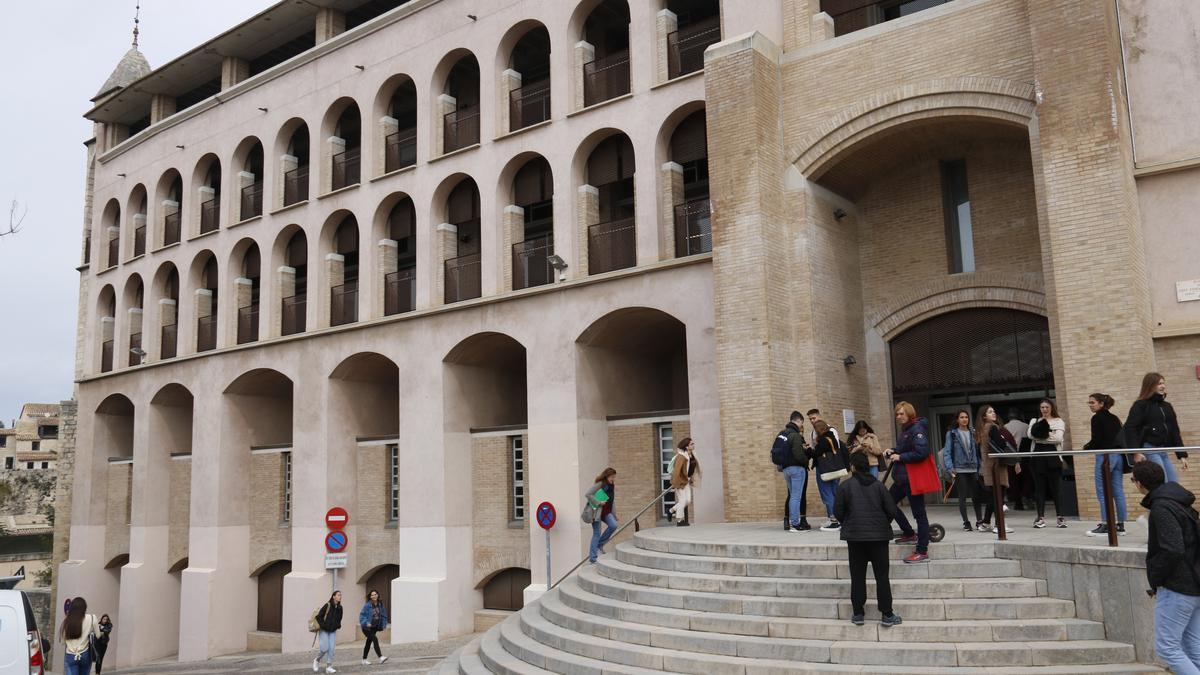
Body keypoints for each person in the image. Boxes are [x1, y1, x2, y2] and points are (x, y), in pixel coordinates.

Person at [1132, 460, 1200, 674]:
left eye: (1133, 480)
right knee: (1193, 647)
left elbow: (1173, 549)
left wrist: (1156, 577)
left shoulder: (1162, 507)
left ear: (1140, 484)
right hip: (1194, 584)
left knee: (1168, 648)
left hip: (1178, 587)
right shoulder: (1180, 501)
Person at [834, 451, 903, 628]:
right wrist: (881, 523)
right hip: (879, 538)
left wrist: (849, 522)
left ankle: (858, 613)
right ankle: (887, 614)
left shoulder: (845, 486)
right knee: (882, 577)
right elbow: (892, 510)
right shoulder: (879, 486)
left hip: (855, 538)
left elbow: (838, 512)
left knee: (857, 576)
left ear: (853, 467)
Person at [884, 402, 932, 564]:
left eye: (901, 414)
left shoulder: (917, 430)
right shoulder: (906, 430)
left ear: (909, 414)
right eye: (897, 414)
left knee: (919, 514)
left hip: (912, 479)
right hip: (902, 478)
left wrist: (900, 457)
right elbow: (904, 448)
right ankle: (909, 533)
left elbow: (922, 452)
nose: (898, 417)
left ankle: (922, 551)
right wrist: (893, 450)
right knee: (888, 504)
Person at [1128, 372, 1190, 483]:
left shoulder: (1167, 406)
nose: (1163, 386)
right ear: (1150, 386)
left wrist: (1181, 455)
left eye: (1163, 383)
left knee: (1173, 482)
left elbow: (1174, 431)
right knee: (1161, 482)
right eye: (1159, 383)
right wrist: (1136, 452)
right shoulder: (1141, 405)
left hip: (1163, 449)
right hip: (1149, 448)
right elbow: (1130, 428)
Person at [1086, 393, 1127, 536]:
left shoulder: (1096, 418)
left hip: (1105, 457)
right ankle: (1120, 525)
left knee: (1102, 491)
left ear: (1101, 404)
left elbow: (1096, 440)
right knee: (1118, 491)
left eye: (1093, 403)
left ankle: (1105, 524)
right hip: (1118, 457)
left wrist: (1086, 447)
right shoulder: (1114, 418)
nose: (1090, 405)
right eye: (1089, 403)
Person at [976, 405, 1017, 533]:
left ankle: (986, 523)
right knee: (998, 496)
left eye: (993, 411)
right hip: (997, 466)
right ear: (984, 416)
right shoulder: (993, 427)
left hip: (988, 466)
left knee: (993, 496)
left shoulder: (981, 429)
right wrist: (1004, 440)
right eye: (990, 412)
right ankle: (999, 526)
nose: (993, 413)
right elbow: (1000, 444)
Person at [942, 409, 985, 532]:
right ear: (957, 419)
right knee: (963, 496)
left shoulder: (973, 432)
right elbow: (947, 452)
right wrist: (951, 469)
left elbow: (977, 452)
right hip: (959, 469)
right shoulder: (952, 433)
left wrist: (980, 467)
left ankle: (979, 521)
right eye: (961, 417)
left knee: (976, 496)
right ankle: (966, 522)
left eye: (966, 417)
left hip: (973, 468)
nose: (964, 419)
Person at [1028, 399, 1067, 529]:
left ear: (1052, 408)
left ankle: (1060, 517)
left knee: (1057, 488)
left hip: (1053, 457)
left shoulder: (1058, 421)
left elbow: (1058, 438)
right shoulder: (1034, 421)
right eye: (1042, 407)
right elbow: (1030, 435)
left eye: (1047, 407)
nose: (1044, 409)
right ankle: (1040, 518)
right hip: (1038, 458)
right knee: (1039, 489)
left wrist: (1042, 436)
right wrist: (1049, 434)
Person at [779, 411, 812, 532]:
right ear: (798, 421)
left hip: (786, 469)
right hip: (797, 469)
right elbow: (798, 455)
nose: (801, 425)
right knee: (796, 497)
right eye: (801, 423)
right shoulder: (795, 435)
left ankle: (792, 522)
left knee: (793, 496)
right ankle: (795, 524)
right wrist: (805, 462)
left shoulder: (782, 434)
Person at [812, 420, 845, 531]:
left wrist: (808, 450)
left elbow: (816, 454)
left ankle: (834, 521)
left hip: (825, 471)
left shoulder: (823, 441)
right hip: (836, 470)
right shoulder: (832, 438)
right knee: (834, 493)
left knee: (827, 495)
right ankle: (839, 519)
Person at [59, 596, 99, 675]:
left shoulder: (67, 621)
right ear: (85, 607)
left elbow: (62, 642)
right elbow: (98, 635)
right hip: (85, 654)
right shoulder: (92, 618)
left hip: (70, 655)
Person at [587, 468, 618, 563]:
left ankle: (599, 545)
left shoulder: (611, 485)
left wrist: (614, 515)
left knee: (613, 525)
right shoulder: (600, 484)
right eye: (612, 477)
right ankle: (592, 558)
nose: (613, 479)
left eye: (614, 477)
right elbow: (588, 494)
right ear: (607, 476)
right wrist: (599, 502)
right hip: (596, 512)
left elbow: (612, 501)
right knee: (597, 533)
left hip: (606, 512)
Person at [668, 437, 700, 526]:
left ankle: (671, 510)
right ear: (686, 447)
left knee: (688, 500)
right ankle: (679, 521)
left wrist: (691, 478)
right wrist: (675, 483)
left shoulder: (691, 455)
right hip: (680, 482)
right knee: (682, 501)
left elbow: (691, 469)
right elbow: (676, 471)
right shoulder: (681, 457)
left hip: (687, 481)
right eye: (691, 444)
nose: (693, 445)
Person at [1005, 409, 1032, 510]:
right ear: (1019, 416)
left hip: (1010, 456)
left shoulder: (1005, 427)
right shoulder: (1026, 426)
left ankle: (1018, 502)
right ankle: (1025, 494)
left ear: (1009, 417)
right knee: (1027, 477)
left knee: (1013, 480)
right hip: (1024, 454)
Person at [313, 590, 343, 674]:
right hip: (324, 630)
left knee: (331, 649)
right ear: (333, 596)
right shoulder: (327, 605)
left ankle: (329, 667)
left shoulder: (340, 608)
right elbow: (318, 617)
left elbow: (340, 618)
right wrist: (324, 626)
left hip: (333, 631)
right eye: (338, 595)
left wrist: (338, 625)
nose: (340, 596)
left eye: (340, 595)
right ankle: (317, 660)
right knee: (324, 648)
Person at [358, 589, 390, 666]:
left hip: (374, 627)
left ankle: (364, 659)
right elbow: (362, 616)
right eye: (372, 595)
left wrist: (384, 623)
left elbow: (383, 614)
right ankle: (380, 657)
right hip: (366, 628)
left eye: (375, 594)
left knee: (368, 643)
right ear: (370, 597)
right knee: (374, 639)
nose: (374, 596)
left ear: (377, 595)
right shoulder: (367, 605)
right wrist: (366, 622)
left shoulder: (380, 604)